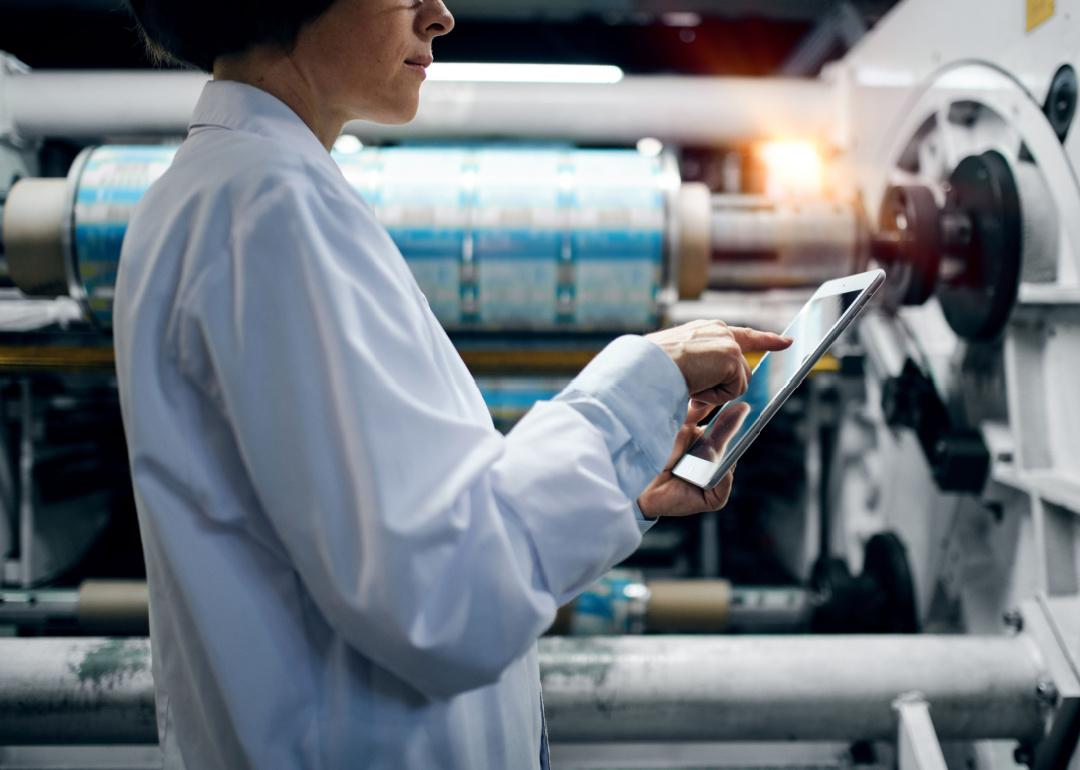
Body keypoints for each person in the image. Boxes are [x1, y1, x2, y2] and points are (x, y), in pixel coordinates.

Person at [115, 1, 792, 768]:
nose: (440, 16)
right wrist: (639, 388)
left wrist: (626, 483)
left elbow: (389, 538)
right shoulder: (270, 207)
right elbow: (438, 595)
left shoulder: (225, 192)